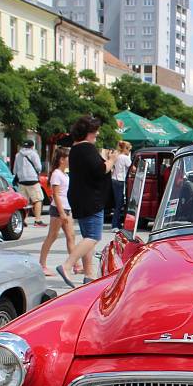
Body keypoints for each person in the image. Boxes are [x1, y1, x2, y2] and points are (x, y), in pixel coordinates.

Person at [56, 115, 117, 288]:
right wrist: (111, 160)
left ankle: (89, 275)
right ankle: (67, 265)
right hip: (91, 199)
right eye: (95, 130)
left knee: (86, 237)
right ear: (89, 132)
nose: (97, 133)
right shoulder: (87, 148)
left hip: (79, 197)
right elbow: (99, 170)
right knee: (93, 237)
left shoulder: (75, 149)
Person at [39, 147, 83, 276]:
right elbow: (56, 194)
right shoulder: (56, 174)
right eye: (68, 157)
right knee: (52, 236)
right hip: (59, 209)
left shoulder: (64, 174)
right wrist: (62, 212)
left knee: (71, 237)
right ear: (62, 159)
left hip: (66, 208)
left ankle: (77, 265)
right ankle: (42, 264)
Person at [12, 139, 46, 227]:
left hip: (22, 181)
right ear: (32, 146)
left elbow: (14, 170)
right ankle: (37, 221)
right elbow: (39, 167)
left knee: (23, 202)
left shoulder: (18, 155)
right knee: (38, 199)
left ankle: (22, 220)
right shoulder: (34, 154)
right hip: (32, 180)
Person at [110, 140, 132, 231]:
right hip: (120, 180)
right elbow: (133, 168)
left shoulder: (117, 156)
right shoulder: (125, 157)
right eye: (129, 150)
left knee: (118, 203)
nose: (129, 152)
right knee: (119, 204)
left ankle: (117, 223)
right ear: (126, 149)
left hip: (114, 179)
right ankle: (115, 225)